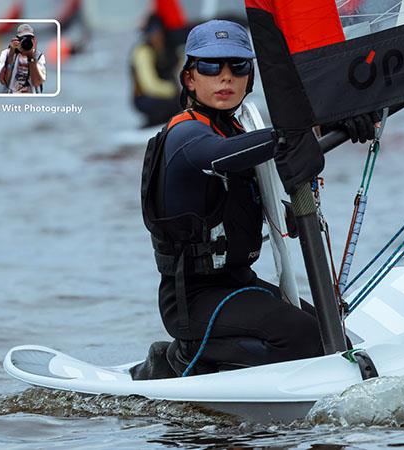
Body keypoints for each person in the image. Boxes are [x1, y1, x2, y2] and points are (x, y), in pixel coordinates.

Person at [134, 20, 378, 379]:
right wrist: (301, 131)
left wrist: (342, 121)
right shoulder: (185, 134)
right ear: (189, 79)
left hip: (238, 283)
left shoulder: (238, 131)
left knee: (332, 334)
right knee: (305, 340)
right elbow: (221, 155)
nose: (225, 77)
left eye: (239, 66)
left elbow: (276, 205)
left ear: (250, 78)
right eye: (210, 66)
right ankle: (180, 358)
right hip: (194, 299)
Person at [130, 14, 182, 127]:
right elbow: (149, 84)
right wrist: (172, 91)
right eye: (154, 33)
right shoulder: (143, 52)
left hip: (171, 95)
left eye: (160, 33)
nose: (157, 37)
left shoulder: (169, 50)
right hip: (147, 98)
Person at [0, 24, 46, 94]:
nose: (26, 42)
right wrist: (11, 54)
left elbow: (37, 82)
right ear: (17, 40)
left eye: (30, 39)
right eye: (22, 39)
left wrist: (31, 57)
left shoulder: (38, 56)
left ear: (34, 41)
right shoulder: (7, 54)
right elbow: (3, 81)